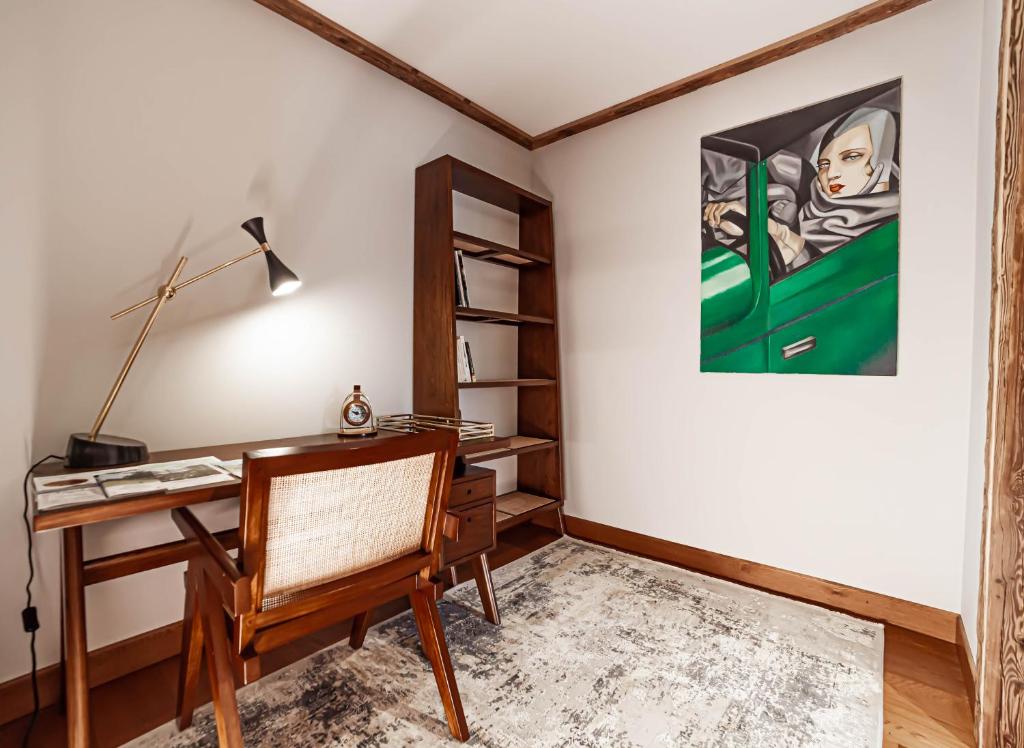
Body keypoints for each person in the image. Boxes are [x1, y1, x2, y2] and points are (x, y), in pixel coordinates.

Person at [703, 106, 900, 269]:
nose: (831, 174)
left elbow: (846, 275)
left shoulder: (895, 228)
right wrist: (750, 224)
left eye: (851, 157)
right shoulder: (807, 214)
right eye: (824, 165)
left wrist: (792, 245)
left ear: (883, 159)